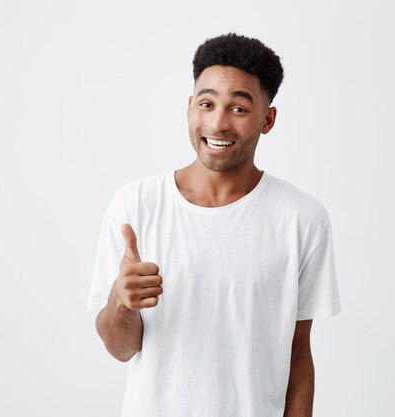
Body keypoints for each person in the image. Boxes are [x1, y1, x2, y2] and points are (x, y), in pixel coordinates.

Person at [87, 33, 341, 417]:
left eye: (239, 108)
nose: (218, 123)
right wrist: (122, 303)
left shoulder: (302, 218)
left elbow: (298, 353)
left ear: (267, 119)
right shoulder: (135, 205)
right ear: (190, 108)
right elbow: (120, 349)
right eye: (206, 104)